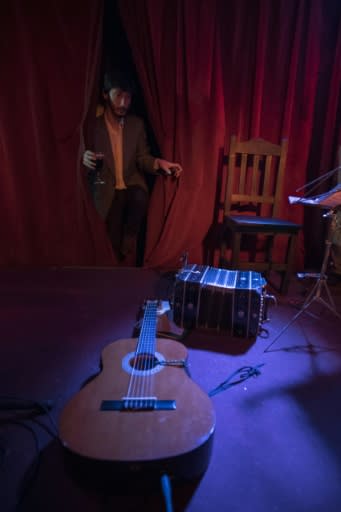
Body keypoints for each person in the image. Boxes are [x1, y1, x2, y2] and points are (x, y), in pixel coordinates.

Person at [83, 69, 182, 263]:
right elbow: (81, 153)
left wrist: (158, 162)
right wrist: (83, 157)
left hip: (130, 185)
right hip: (106, 188)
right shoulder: (93, 126)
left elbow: (142, 158)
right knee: (113, 219)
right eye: (118, 95)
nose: (123, 103)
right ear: (105, 94)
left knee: (139, 196)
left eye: (127, 97)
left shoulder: (135, 125)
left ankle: (129, 239)